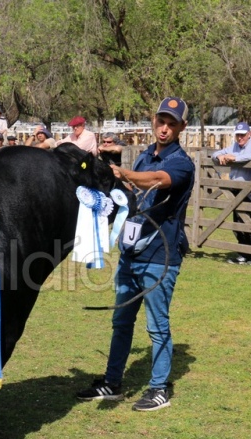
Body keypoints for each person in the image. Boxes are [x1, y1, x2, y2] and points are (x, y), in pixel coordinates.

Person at [76, 97, 195, 412]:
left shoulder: (181, 163)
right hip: (131, 252)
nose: (165, 128)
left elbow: (158, 181)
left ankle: (159, 388)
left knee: (157, 325)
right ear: (154, 121)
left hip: (160, 256)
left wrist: (121, 172)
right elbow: (128, 198)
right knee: (121, 320)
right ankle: (112, 383)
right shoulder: (143, 156)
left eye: (172, 123)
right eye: (161, 121)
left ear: (182, 127)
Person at [212, 122, 251, 265]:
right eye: (237, 135)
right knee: (236, 222)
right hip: (235, 187)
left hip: (250, 188)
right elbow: (216, 153)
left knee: (246, 221)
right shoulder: (234, 146)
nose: (239, 138)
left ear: (249, 134)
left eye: (242, 135)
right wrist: (220, 157)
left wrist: (234, 158)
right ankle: (244, 255)